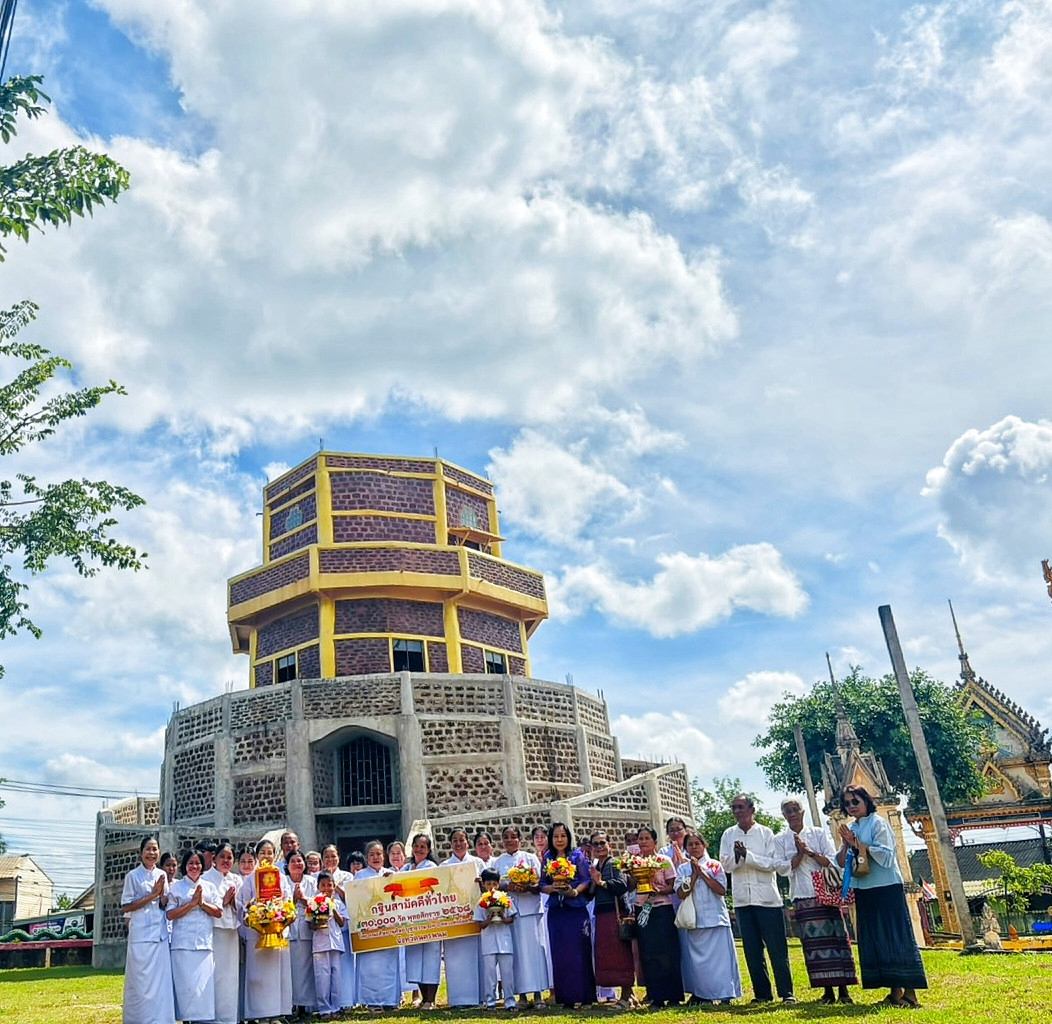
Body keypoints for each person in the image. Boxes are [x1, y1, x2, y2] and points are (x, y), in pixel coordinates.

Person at [838, 785, 927, 1008]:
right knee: (877, 939)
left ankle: (911, 993)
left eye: (855, 801)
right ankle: (895, 991)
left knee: (897, 937)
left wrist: (858, 844)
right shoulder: (853, 828)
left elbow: (887, 857)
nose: (851, 806)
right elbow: (842, 861)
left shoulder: (879, 823)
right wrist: (847, 844)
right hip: (864, 888)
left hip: (886, 887)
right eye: (847, 803)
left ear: (866, 801)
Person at [775, 798, 857, 1004]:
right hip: (802, 895)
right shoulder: (781, 839)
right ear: (784, 815)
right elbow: (783, 868)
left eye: (795, 810)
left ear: (802, 813)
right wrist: (799, 853)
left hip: (826, 893)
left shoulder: (818, 833)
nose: (792, 814)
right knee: (814, 946)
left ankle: (844, 991)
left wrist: (810, 852)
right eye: (788, 811)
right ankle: (827, 991)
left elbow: (831, 861)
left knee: (837, 940)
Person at [718, 793, 795, 1005]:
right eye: (734, 807)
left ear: (752, 809)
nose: (737, 811)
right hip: (743, 900)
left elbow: (773, 863)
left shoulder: (765, 833)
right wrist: (737, 857)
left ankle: (787, 992)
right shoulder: (728, 834)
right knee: (752, 951)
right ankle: (762, 994)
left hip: (767, 899)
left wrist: (747, 856)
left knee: (777, 949)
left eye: (741, 807)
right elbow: (724, 865)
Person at [675, 831, 742, 1005]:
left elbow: (721, 890)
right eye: (690, 844)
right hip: (695, 921)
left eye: (698, 843)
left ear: (704, 845)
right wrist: (694, 874)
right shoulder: (682, 869)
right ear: (686, 848)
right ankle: (704, 995)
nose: (694, 847)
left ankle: (726, 993)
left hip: (716, 919)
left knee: (722, 961)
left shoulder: (715, 865)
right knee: (700, 964)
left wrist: (702, 873)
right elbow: (681, 893)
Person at [120, 836, 175, 1024]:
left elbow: (163, 903)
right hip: (141, 936)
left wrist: (165, 897)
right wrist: (153, 894)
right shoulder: (133, 876)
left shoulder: (161, 875)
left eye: (155, 849)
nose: (152, 853)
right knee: (141, 983)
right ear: (141, 853)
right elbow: (126, 906)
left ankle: (160, 1019)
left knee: (160, 983)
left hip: (159, 935)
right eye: (148, 849)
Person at [238, 837, 294, 1022]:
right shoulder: (250, 880)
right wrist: (254, 912)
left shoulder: (282, 877)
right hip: (258, 932)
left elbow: (288, 900)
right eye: (263, 852)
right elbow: (242, 904)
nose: (266, 856)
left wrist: (281, 911)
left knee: (278, 975)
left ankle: (277, 1013)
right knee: (258, 976)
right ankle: (260, 1014)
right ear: (257, 855)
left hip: (277, 930)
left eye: (270, 852)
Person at [493, 825, 549, 1008]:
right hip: (510, 914)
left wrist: (526, 887)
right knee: (516, 955)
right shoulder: (498, 862)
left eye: (513, 836)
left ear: (520, 839)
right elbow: (494, 885)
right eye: (506, 837)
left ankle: (538, 993)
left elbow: (539, 885)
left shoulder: (530, 858)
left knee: (534, 953)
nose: (510, 840)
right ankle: (522, 996)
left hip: (530, 910)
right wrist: (507, 887)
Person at [541, 821, 595, 1008]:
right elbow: (541, 884)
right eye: (555, 836)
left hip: (576, 909)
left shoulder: (577, 855)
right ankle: (566, 997)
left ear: (568, 837)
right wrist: (552, 888)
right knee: (560, 953)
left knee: (579, 951)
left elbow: (586, 879)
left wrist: (574, 892)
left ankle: (585, 996)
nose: (559, 839)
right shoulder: (547, 857)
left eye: (563, 836)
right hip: (557, 910)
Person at [629, 826, 682, 1008]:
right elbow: (630, 886)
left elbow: (672, 885)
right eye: (640, 839)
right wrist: (633, 874)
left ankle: (674, 995)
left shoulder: (664, 860)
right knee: (648, 952)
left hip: (662, 909)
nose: (643, 842)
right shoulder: (634, 862)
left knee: (667, 952)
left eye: (646, 838)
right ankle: (656, 996)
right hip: (643, 909)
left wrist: (658, 890)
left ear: (655, 841)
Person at [167, 847, 222, 1022]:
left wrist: (202, 903)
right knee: (185, 987)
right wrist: (191, 904)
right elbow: (170, 914)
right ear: (185, 865)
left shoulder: (209, 886)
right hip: (182, 944)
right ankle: (186, 1019)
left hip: (204, 944)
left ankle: (202, 1019)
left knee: (202, 987)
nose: (194, 866)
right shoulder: (177, 887)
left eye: (198, 863)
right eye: (191, 863)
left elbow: (218, 912)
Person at [587, 831, 634, 1008]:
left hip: (615, 914)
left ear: (610, 845)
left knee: (621, 954)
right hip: (601, 914)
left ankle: (626, 995)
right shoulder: (597, 865)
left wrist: (601, 883)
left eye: (602, 843)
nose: (599, 847)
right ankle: (628, 995)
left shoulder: (614, 863)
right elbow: (591, 894)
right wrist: (593, 881)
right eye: (596, 844)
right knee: (608, 954)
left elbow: (622, 885)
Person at [353, 840, 401, 1009]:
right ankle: (371, 1002)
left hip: (388, 927)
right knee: (370, 967)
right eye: (372, 854)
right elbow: (356, 901)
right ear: (366, 857)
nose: (375, 857)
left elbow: (400, 899)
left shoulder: (391, 873)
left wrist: (389, 883)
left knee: (389, 966)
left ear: (384, 856)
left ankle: (390, 1001)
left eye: (379, 854)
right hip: (369, 929)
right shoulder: (359, 876)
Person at [441, 828, 486, 1007]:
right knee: (456, 959)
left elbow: (489, 888)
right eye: (455, 841)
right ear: (450, 844)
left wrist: (480, 884)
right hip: (454, 920)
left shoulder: (478, 863)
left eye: (462, 840)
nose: (458, 844)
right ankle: (459, 999)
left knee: (477, 958)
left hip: (475, 916)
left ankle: (480, 997)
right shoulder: (444, 866)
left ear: (467, 842)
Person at [202, 841, 243, 1024]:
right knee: (215, 974)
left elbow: (242, 906)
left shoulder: (236, 879)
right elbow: (206, 905)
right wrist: (224, 901)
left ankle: (228, 1017)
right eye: (222, 857)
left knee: (230, 976)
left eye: (229, 857)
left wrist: (233, 902)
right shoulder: (206, 878)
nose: (226, 861)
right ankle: (212, 1017)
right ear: (214, 859)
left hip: (231, 931)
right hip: (214, 930)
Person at [402, 833, 441, 1008]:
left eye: (423, 847)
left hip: (430, 919)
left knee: (431, 959)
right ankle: (424, 998)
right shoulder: (406, 868)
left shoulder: (431, 866)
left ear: (428, 850)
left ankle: (431, 999)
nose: (419, 849)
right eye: (416, 846)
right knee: (416, 960)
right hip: (411, 921)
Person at [475, 867, 518, 1009]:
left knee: (507, 973)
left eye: (494, 884)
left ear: (498, 884)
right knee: (489, 974)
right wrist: (489, 919)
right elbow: (480, 924)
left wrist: (503, 918)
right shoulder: (481, 902)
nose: (491, 887)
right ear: (483, 884)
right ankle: (490, 1001)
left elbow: (511, 919)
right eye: (488, 884)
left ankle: (510, 1001)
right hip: (488, 942)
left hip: (505, 942)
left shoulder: (506, 899)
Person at [321, 845, 357, 1011]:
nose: (330, 860)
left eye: (333, 856)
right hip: (324, 929)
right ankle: (327, 1004)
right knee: (325, 969)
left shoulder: (347, 876)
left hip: (342, 923)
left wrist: (337, 888)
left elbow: (355, 898)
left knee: (345, 965)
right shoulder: (318, 876)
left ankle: (346, 1001)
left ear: (339, 857)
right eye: (326, 856)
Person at [286, 850, 319, 1016]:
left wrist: (303, 899)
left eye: (300, 861)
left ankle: (307, 1005)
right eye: (293, 861)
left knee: (307, 968)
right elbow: (281, 906)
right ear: (287, 865)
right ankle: (292, 1004)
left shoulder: (311, 881)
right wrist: (293, 899)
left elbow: (318, 904)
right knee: (291, 968)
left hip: (307, 927)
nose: (297, 864)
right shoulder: (283, 882)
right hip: (289, 927)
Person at [312, 871, 347, 1019]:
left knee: (336, 976)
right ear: (318, 886)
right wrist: (318, 918)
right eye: (323, 885)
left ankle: (336, 1007)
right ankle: (324, 1009)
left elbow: (342, 923)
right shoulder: (314, 903)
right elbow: (311, 925)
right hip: (320, 943)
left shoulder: (338, 903)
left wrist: (332, 907)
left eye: (329, 885)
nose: (326, 888)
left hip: (336, 943)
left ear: (334, 886)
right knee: (322, 976)